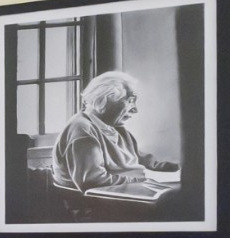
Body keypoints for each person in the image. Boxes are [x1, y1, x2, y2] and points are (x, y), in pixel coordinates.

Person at [50, 71, 178, 193]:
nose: (135, 110)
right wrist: (143, 179)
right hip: (94, 207)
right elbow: (92, 182)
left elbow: (143, 161)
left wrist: (178, 169)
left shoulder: (116, 127)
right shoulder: (82, 131)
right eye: (130, 101)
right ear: (105, 100)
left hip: (125, 194)